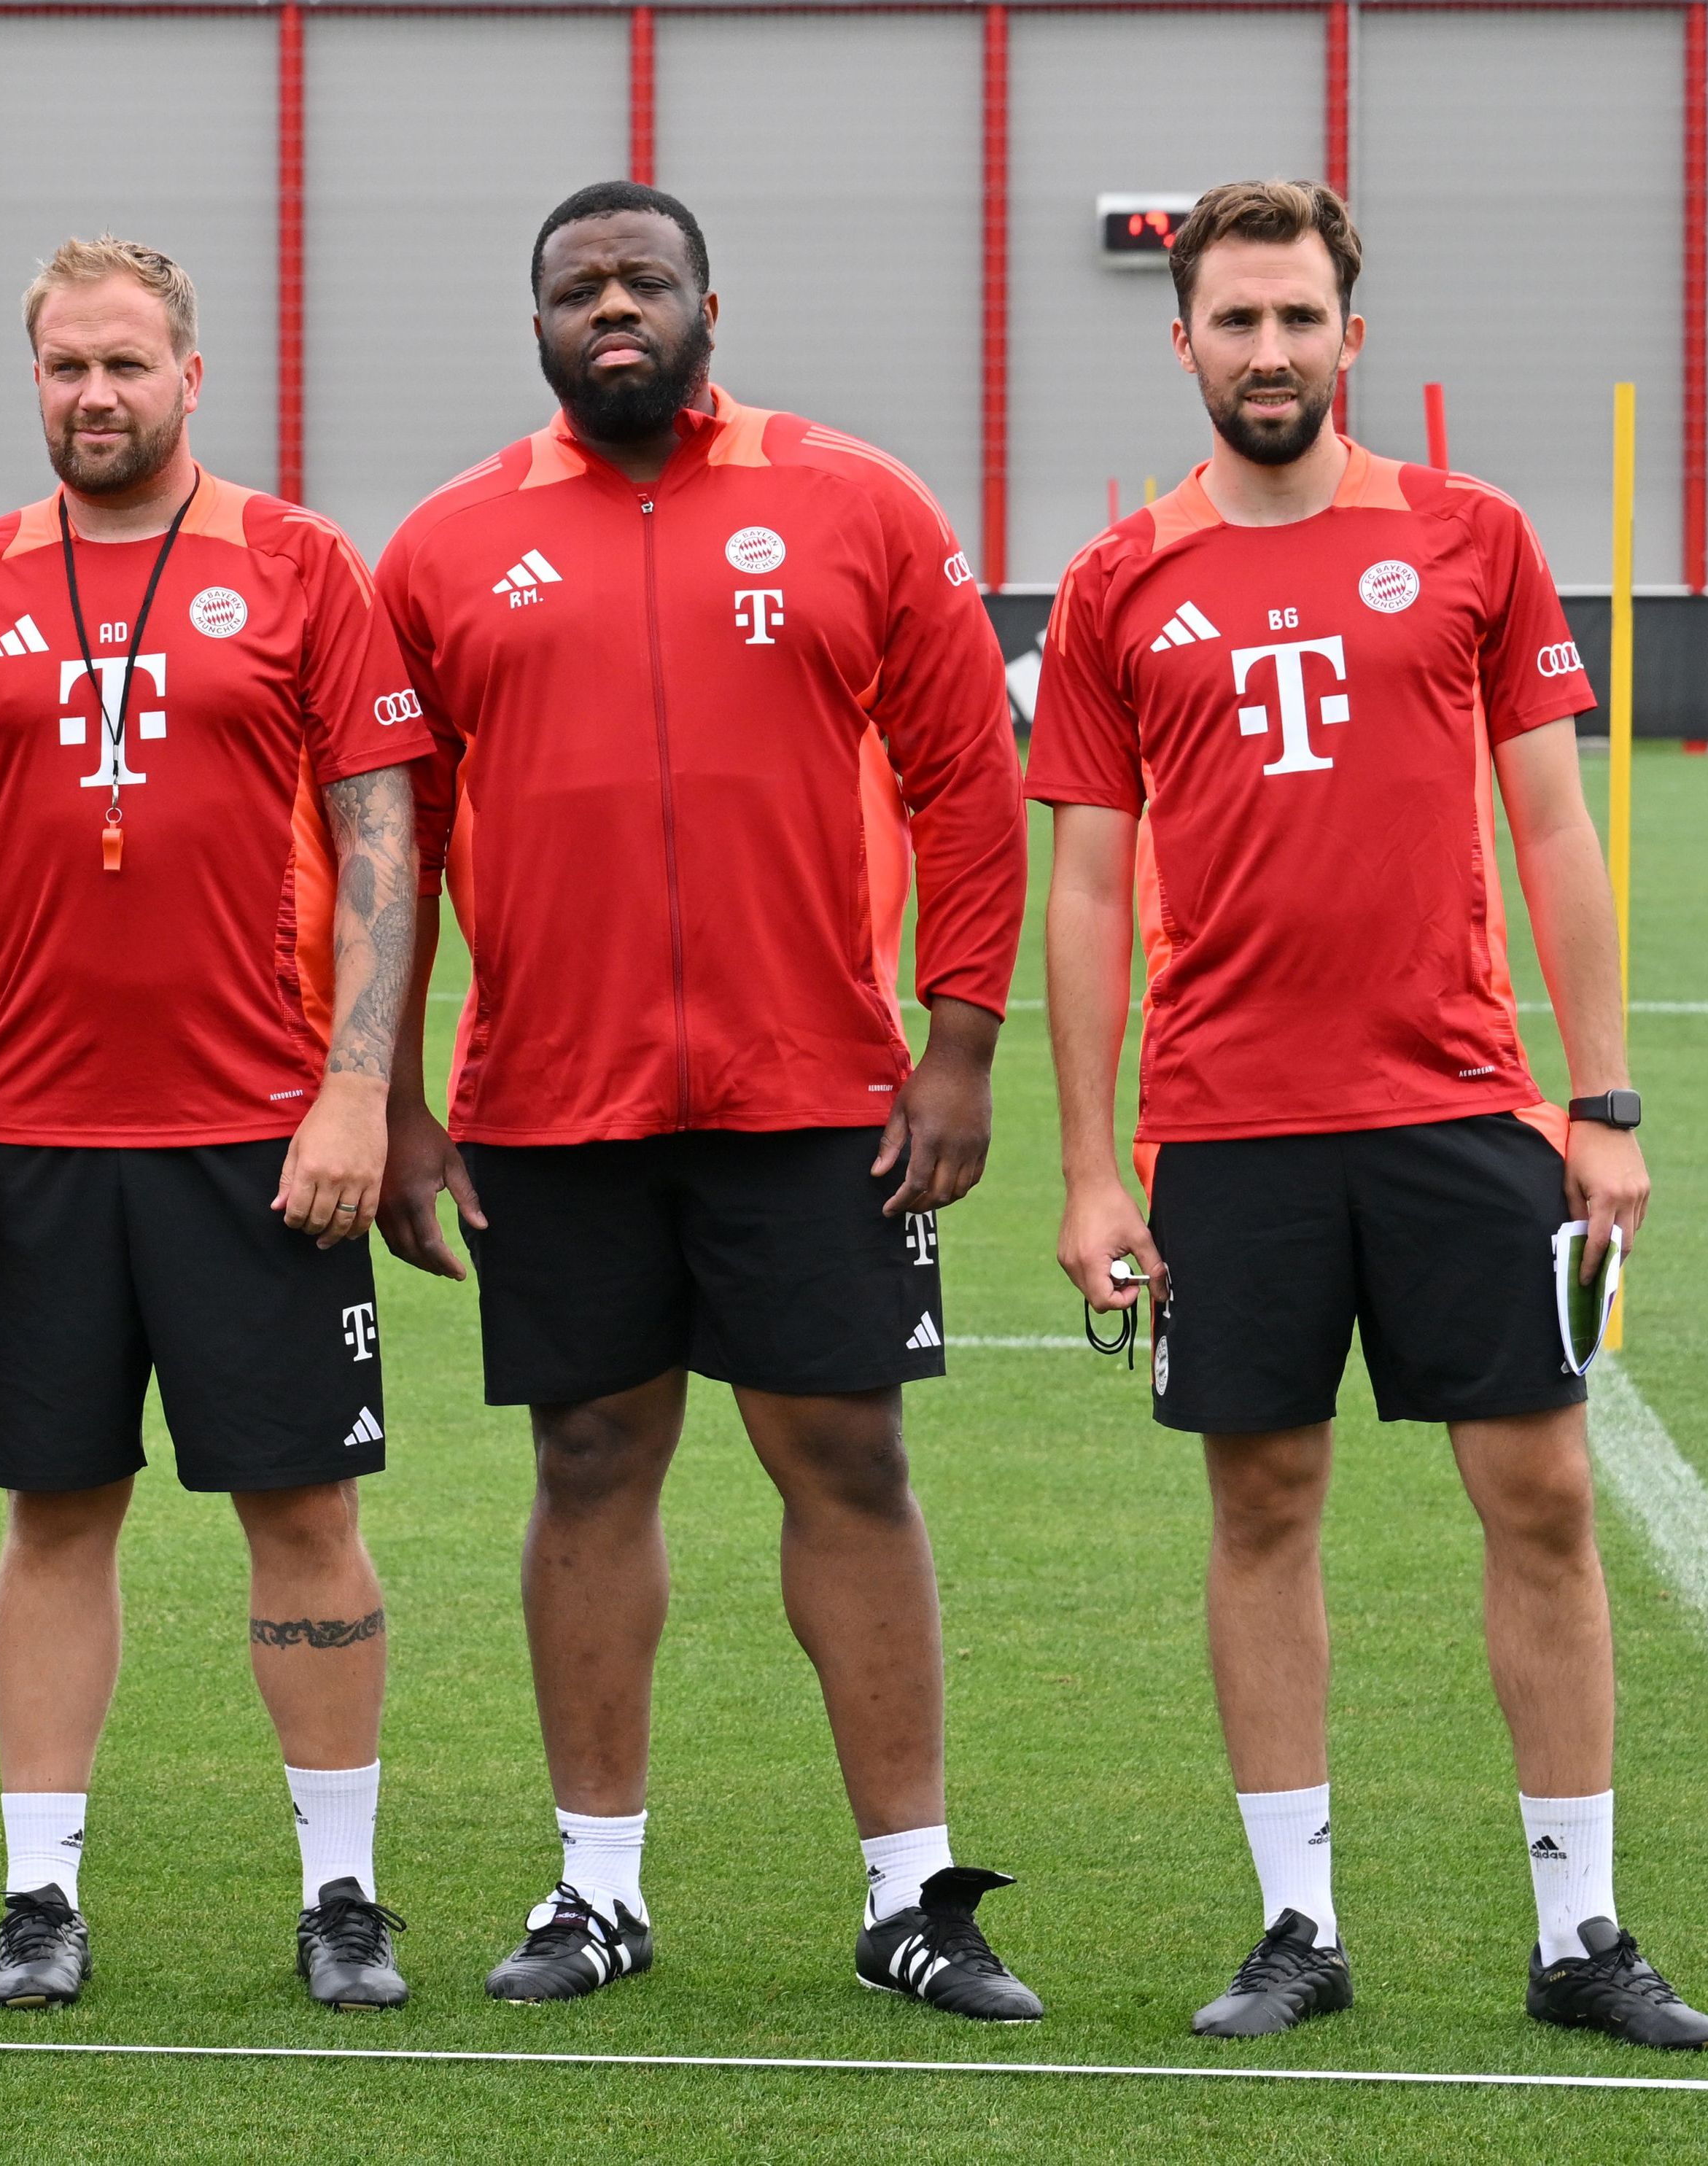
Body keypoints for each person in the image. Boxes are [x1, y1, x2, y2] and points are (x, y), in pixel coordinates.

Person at [1038, 179, 1699, 2049]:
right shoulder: (1114, 585)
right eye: (1233, 322)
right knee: (1263, 1502)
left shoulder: (1472, 539)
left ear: (1351, 332)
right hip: (1231, 1132)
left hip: (1461, 1112)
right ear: (1185, 344)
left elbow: (1556, 828)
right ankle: (1296, 1926)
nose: (1267, 351)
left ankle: (1581, 1935)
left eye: (1296, 318)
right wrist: (1095, 1165)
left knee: (1544, 1494)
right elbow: (1090, 893)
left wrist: (1603, 1099)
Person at [372, 180, 1041, 2019]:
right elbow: (385, 843)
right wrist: (397, 1093)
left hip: (818, 1091)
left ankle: (914, 1896)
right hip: (552, 1099)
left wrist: (962, 1039)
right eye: (578, 286)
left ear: (707, 309)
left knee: (848, 1459)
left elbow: (970, 779)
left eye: (643, 281)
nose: (614, 308)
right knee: (588, 1461)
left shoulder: (855, 501)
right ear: (533, 327)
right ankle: (597, 1890)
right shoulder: (442, 548)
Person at [0, 237, 426, 2012]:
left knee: (304, 1515)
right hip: (32, 1142)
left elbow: (380, 841)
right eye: (64, 370)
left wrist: (356, 1085)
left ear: (193, 373)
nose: (95, 397)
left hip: (259, 1137)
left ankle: (342, 1890)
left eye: (126, 365)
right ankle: (40, 1895)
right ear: (30, 381)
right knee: (55, 1513)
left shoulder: (299, 566)